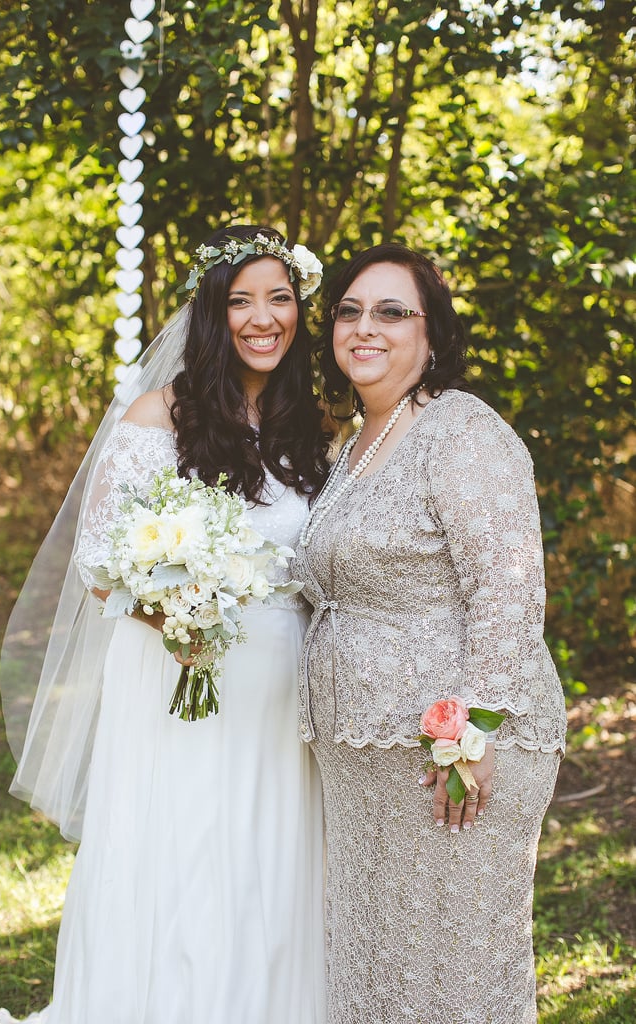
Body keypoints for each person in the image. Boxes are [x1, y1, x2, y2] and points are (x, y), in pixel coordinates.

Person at [0, 226, 329, 1024]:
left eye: (279, 298)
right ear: (212, 312)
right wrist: (179, 614)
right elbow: (102, 554)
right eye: (241, 300)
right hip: (178, 669)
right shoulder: (159, 413)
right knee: (183, 851)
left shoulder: (307, 427)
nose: (263, 317)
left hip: (283, 684)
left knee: (266, 856)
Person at [293, 242, 567, 1024]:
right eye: (348, 311)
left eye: (390, 311)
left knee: (453, 967)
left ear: (431, 335)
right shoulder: (357, 443)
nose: (363, 327)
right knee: (376, 963)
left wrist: (471, 736)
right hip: (360, 757)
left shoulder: (461, 432)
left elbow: (508, 593)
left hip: (448, 758)